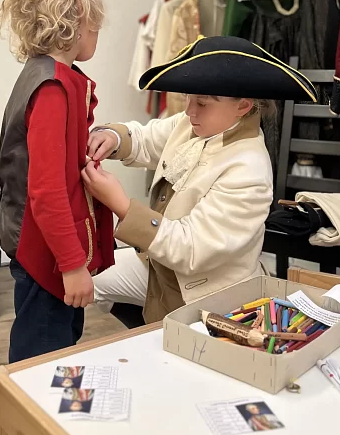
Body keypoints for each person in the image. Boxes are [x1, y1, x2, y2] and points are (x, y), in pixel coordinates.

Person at [83, 36, 317, 324]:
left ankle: (158, 331)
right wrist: (113, 137)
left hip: (207, 294)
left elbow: (190, 249)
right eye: (188, 98)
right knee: (88, 275)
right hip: (163, 267)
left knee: (90, 282)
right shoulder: (193, 123)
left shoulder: (249, 170)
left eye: (202, 103)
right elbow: (146, 138)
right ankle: (148, 326)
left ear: (243, 106)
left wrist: (120, 204)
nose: (189, 110)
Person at [0, 0, 115, 364]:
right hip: (44, 252)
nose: (97, 33)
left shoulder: (47, 75)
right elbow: (46, 190)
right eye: (96, 25)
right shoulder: (51, 87)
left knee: (56, 340)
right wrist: (73, 265)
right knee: (43, 356)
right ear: (77, 15)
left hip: (42, 244)